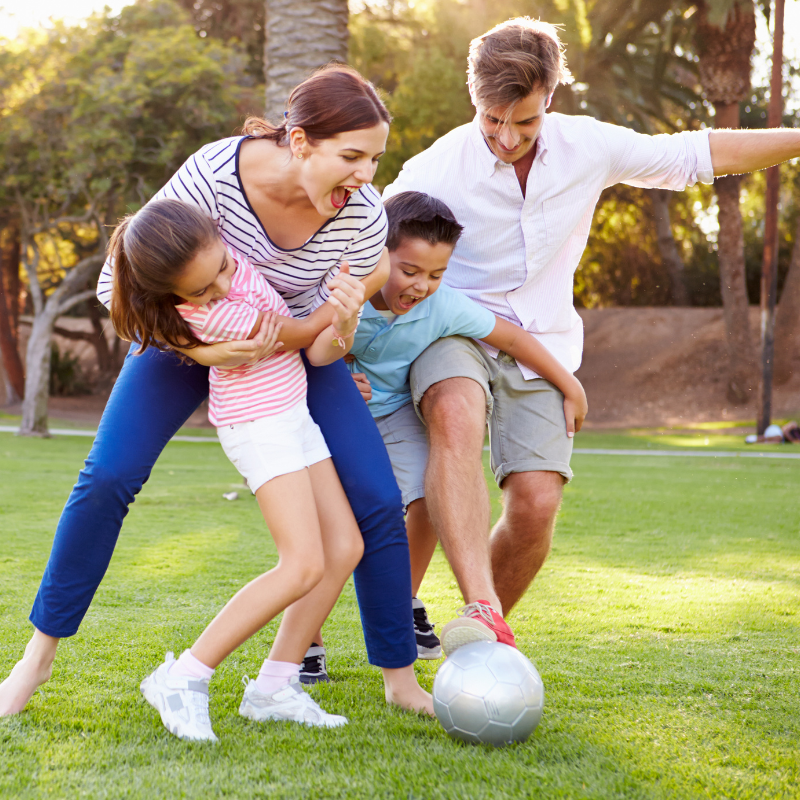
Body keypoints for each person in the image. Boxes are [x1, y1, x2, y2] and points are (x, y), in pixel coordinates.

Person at [0, 65, 432, 718]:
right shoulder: (214, 175)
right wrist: (203, 351)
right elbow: (116, 286)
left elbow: (323, 336)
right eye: (351, 157)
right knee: (110, 473)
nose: (366, 176)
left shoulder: (362, 219)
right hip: (186, 340)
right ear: (299, 141)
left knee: (374, 497)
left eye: (375, 159)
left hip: (291, 352)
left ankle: (384, 682)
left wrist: (342, 322)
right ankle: (35, 663)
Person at [382, 17, 800, 649]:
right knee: (455, 416)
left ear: (551, 95)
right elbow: (365, 248)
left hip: (543, 343)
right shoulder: (434, 169)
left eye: (524, 121)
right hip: (454, 331)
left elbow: (700, 154)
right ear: (473, 97)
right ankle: (476, 610)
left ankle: (475, 633)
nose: (505, 136)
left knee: (535, 505)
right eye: (491, 118)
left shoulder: (589, 146)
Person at [108, 198, 364, 741]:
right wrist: (348, 297)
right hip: (259, 425)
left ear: (221, 239)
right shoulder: (215, 312)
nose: (222, 286)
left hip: (293, 415)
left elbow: (302, 326)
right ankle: (184, 675)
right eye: (199, 291)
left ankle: (274, 686)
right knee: (301, 564)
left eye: (222, 267)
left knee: (345, 548)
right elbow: (295, 334)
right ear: (175, 297)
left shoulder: (228, 257)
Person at [346, 191, 587, 657]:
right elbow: (303, 345)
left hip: (393, 414)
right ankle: (305, 645)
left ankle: (403, 603)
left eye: (436, 275)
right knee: (333, 529)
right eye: (410, 271)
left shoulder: (443, 307)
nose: (421, 286)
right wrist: (336, 378)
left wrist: (568, 384)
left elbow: (512, 337)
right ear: (378, 254)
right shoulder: (346, 294)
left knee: (429, 493)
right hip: (340, 417)